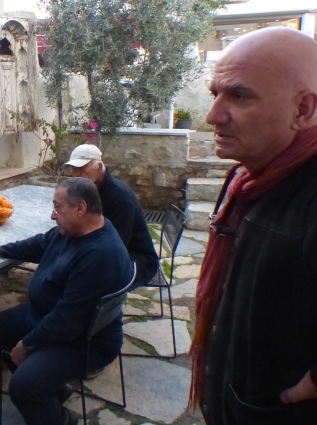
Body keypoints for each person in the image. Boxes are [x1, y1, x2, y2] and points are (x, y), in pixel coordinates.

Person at [189, 27, 317, 424]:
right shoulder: (247, 178)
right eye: (215, 94)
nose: (213, 116)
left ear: (303, 110)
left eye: (239, 96)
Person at [0, 178, 133, 425]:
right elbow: (40, 243)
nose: (52, 215)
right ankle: (55, 390)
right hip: (48, 316)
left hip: (85, 340)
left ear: (81, 208)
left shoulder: (100, 254)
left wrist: (27, 344)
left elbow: (67, 321)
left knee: (23, 386)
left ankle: (64, 419)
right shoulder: (76, 230)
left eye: (57, 207)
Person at [65, 144, 158, 288]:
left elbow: (116, 244)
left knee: (81, 276)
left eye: (82, 168)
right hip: (106, 249)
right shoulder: (88, 189)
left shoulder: (120, 197)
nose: (76, 173)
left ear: (99, 167)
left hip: (135, 260)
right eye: (73, 168)